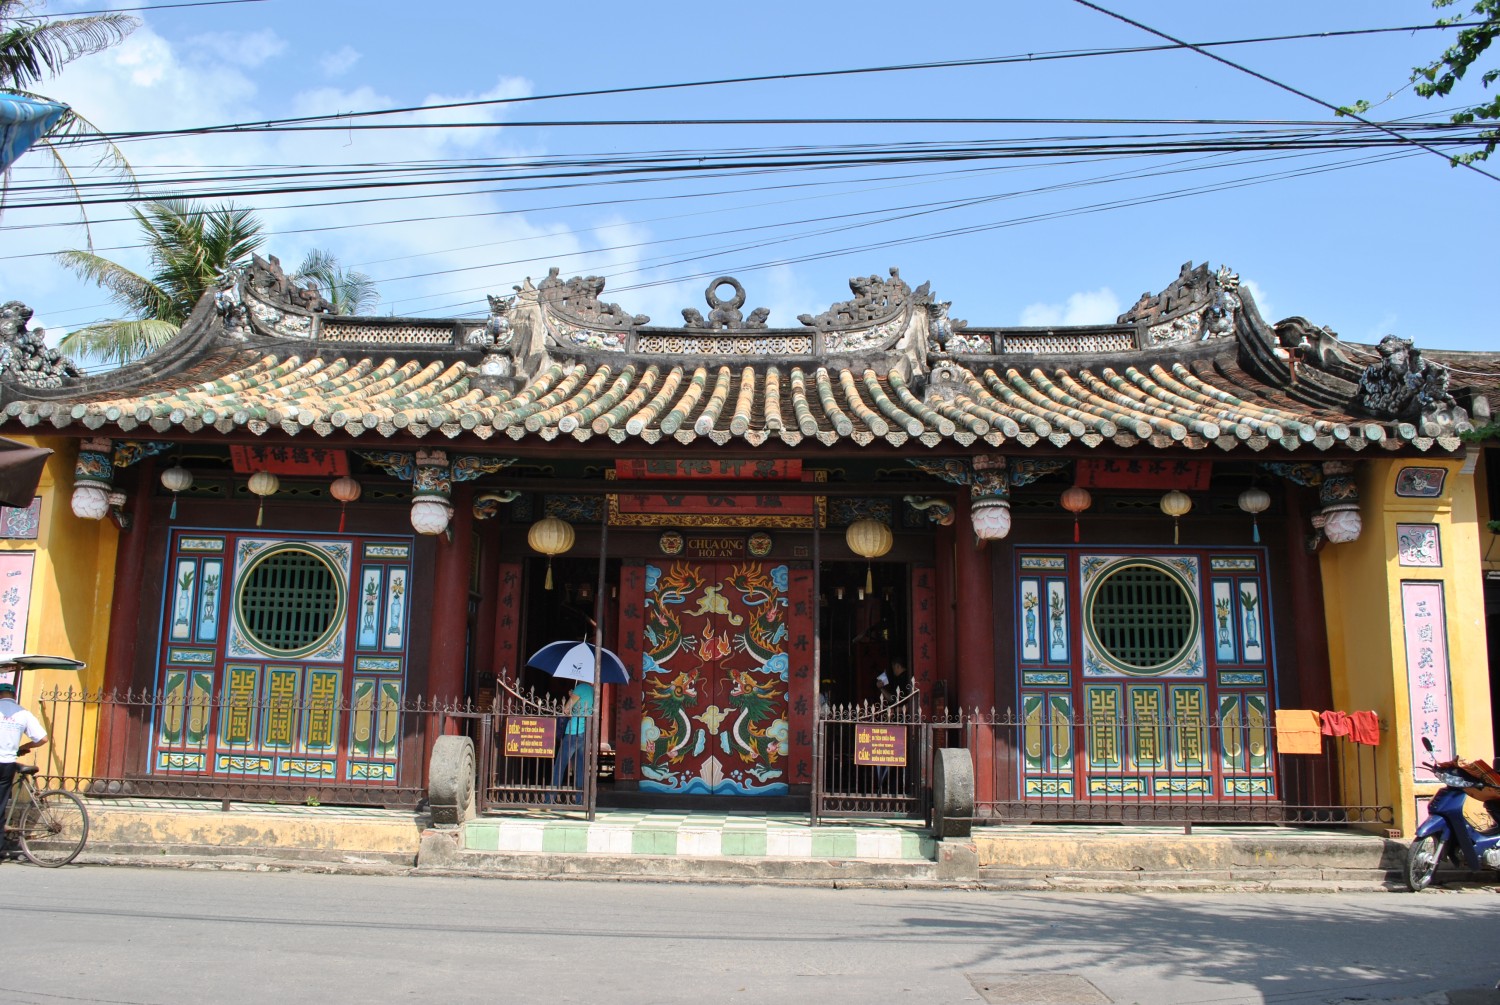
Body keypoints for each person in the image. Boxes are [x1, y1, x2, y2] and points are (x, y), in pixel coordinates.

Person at [0, 677, 47, 828]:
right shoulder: (24, 713)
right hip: (8, 764)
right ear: (14, 696)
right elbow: (43, 739)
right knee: (1, 805)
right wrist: (24, 747)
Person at [551, 679, 594, 801]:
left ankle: (550, 798)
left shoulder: (580, 689)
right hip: (583, 732)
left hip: (572, 731)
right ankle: (581, 799)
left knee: (560, 766)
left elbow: (566, 709)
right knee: (580, 768)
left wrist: (572, 696)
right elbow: (583, 706)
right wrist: (573, 695)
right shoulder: (592, 690)